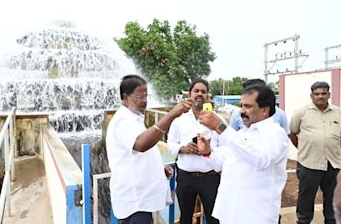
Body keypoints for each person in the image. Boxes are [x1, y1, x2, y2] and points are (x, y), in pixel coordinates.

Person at [106, 74, 193, 223]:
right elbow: (141, 144)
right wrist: (171, 115)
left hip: (141, 201)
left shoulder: (134, 118)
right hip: (135, 202)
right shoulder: (123, 121)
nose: (145, 101)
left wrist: (158, 168)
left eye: (146, 96)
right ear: (125, 97)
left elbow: (136, 156)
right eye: (140, 96)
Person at [198, 84, 289, 224]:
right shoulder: (241, 134)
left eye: (248, 106)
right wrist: (207, 152)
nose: (242, 111)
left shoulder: (276, 134)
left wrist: (220, 127)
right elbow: (219, 164)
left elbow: (260, 160)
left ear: (265, 110)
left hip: (256, 216)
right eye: (241, 106)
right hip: (230, 212)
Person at [167, 78, 220, 224]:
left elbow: (225, 145)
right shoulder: (179, 119)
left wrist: (208, 150)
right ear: (190, 94)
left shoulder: (217, 119)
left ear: (207, 96)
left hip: (211, 177)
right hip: (186, 178)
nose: (199, 94)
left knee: (213, 218)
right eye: (196, 91)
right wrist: (183, 149)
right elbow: (170, 142)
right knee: (185, 218)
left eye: (203, 91)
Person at [289, 81, 341, 224]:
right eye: (317, 94)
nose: (320, 96)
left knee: (332, 199)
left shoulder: (338, 112)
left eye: (323, 93)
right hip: (309, 164)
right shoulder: (301, 112)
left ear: (329, 95)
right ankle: (303, 221)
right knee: (306, 199)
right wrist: (303, 149)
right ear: (311, 96)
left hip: (334, 164)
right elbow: (293, 133)